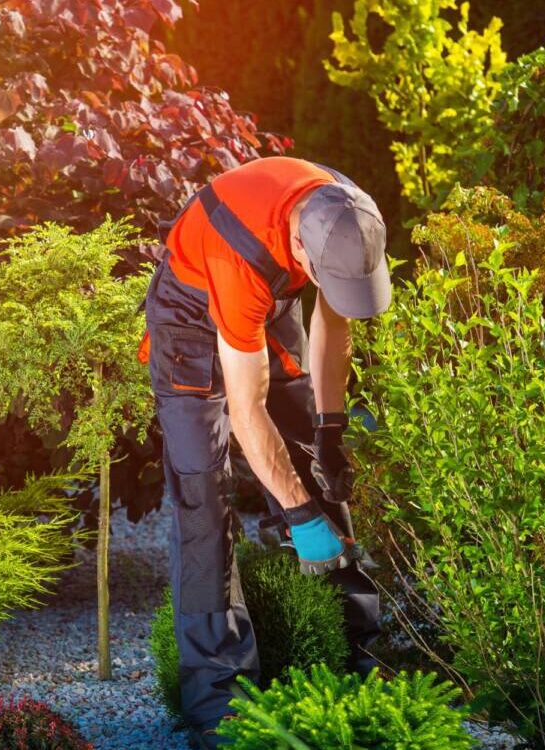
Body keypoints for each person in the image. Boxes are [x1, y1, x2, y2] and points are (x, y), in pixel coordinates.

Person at [139, 156, 390, 749]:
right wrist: (300, 515)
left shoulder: (348, 216)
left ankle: (350, 658)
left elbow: (333, 327)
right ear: (301, 251)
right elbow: (246, 410)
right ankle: (220, 702)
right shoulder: (240, 256)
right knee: (204, 497)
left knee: (311, 463)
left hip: (268, 305)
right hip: (191, 316)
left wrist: (329, 429)